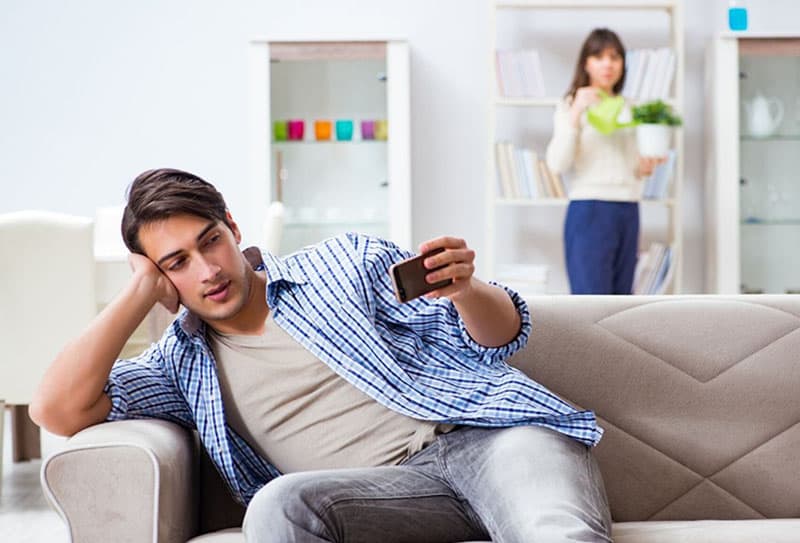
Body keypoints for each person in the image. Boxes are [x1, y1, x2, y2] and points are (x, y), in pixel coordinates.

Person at [31, 168, 612, 542]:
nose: (207, 271)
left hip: (490, 442)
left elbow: (501, 336)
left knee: (556, 534)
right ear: (159, 276)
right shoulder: (180, 366)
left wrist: (466, 289)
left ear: (233, 227)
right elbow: (56, 410)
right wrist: (136, 296)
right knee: (276, 506)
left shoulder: (341, 263)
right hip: (382, 497)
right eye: (176, 262)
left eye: (210, 241)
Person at [546, 28, 663, 295]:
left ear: (623, 63)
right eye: (598, 56)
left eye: (614, 57)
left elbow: (634, 167)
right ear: (586, 63)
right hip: (590, 210)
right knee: (591, 302)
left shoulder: (631, 108)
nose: (608, 64)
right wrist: (577, 111)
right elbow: (557, 163)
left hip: (628, 209)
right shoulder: (570, 105)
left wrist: (647, 166)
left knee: (620, 303)